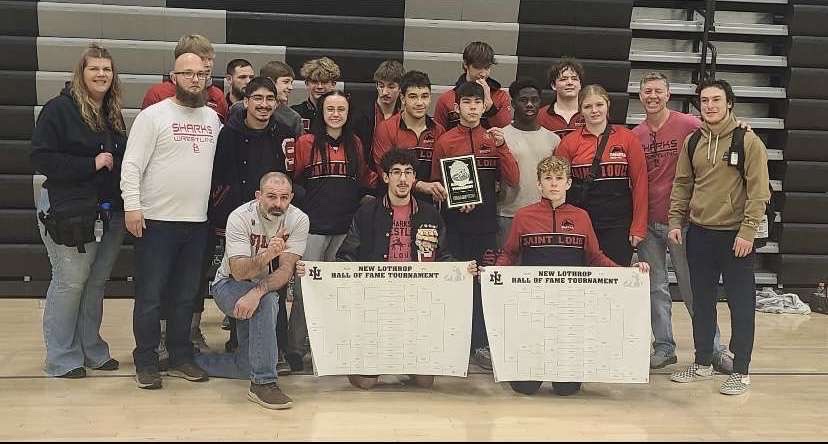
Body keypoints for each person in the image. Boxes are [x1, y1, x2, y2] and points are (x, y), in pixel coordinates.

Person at [296, 148, 478, 389]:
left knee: (425, 383)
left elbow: (443, 256)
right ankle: (364, 362)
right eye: (396, 173)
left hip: (416, 300)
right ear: (385, 177)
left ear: (415, 179)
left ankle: (403, 360)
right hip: (375, 300)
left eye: (408, 173)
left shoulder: (430, 214)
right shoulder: (367, 212)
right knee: (366, 383)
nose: (402, 179)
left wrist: (462, 270)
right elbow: (346, 255)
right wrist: (318, 276)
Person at [497, 155, 650, 396]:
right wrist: (493, 275)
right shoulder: (524, 217)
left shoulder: (581, 217)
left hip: (570, 307)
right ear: (539, 185)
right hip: (534, 305)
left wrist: (627, 274)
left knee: (567, 389)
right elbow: (509, 254)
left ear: (569, 183)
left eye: (559, 179)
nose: (554, 184)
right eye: (548, 179)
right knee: (524, 388)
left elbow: (595, 257)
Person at [121, 52, 221, 389]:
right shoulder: (153, 116)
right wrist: (132, 207)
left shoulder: (212, 119)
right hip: (156, 221)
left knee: (185, 295)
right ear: (173, 76)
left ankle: (180, 356)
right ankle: (147, 360)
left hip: (197, 222)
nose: (195, 79)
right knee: (150, 296)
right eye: (188, 73)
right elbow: (131, 165)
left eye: (201, 74)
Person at [668, 78, 770, 395]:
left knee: (741, 305)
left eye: (716, 99)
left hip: (736, 237)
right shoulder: (693, 142)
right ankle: (702, 363)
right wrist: (675, 219)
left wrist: (748, 232)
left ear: (729, 103)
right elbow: (682, 184)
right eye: (705, 100)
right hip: (699, 234)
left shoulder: (749, 142)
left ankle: (740, 370)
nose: (710, 105)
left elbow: (759, 193)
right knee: (702, 303)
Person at [31, 44, 126, 378]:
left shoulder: (112, 113)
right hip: (68, 210)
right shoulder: (59, 109)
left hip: (108, 211)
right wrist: (90, 163)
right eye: (94, 69)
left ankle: (92, 350)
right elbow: (40, 158)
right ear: (80, 73)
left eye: (107, 69)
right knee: (70, 281)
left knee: (95, 283)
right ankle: (61, 357)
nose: (101, 75)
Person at [631, 72, 733, 372]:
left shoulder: (689, 124)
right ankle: (664, 347)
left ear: (668, 94)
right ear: (640, 96)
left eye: (658, 91)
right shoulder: (635, 135)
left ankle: (712, 348)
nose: (652, 96)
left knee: (693, 288)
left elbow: (722, 130)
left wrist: (739, 125)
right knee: (656, 288)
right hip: (648, 223)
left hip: (683, 223)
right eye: (647, 91)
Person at [196, 172, 308, 409]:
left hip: (258, 289)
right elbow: (238, 271)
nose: (278, 204)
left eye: (284, 198)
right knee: (269, 303)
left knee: (246, 365)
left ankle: (191, 358)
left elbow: (286, 270)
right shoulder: (240, 217)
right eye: (271, 197)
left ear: (291, 198)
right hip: (227, 285)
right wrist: (268, 254)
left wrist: (256, 292)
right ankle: (263, 384)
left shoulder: (299, 220)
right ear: (258, 196)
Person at [210, 77, 300, 371]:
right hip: (240, 216)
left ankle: (279, 349)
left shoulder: (285, 132)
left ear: (277, 102)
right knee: (243, 276)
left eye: (269, 99)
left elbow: (288, 175)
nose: (263, 105)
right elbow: (221, 178)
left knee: (275, 276)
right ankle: (240, 341)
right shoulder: (230, 133)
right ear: (245, 101)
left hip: (275, 212)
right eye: (257, 98)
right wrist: (229, 216)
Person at [430, 81, 518, 370]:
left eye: (476, 103)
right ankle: (453, 341)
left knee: (482, 284)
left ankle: (480, 343)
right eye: (465, 102)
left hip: (485, 225)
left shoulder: (494, 138)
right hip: (454, 225)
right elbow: (437, 184)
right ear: (456, 107)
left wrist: (503, 147)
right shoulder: (446, 141)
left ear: (484, 106)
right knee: (455, 282)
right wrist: (454, 201)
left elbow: (513, 179)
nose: (471, 108)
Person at [286, 90, 376, 371]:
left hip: (343, 230)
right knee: (304, 292)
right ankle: (295, 349)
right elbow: (293, 182)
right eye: (330, 109)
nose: (335, 114)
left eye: (341, 109)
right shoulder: (306, 143)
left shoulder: (356, 144)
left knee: (335, 293)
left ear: (348, 113)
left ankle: (326, 346)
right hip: (313, 228)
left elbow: (362, 180)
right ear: (321, 112)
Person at [555, 84, 648, 268]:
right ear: (580, 110)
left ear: (608, 105)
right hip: (582, 222)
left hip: (619, 225)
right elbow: (558, 187)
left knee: (616, 277)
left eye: (599, 104)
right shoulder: (569, 143)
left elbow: (640, 184)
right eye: (588, 106)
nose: (594, 110)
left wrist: (638, 226)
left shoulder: (628, 138)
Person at [496, 79, 561, 245]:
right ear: (513, 103)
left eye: (534, 100)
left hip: (543, 215)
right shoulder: (501, 137)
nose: (530, 104)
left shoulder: (553, 140)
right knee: (508, 268)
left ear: (540, 103)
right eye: (524, 100)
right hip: (508, 214)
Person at [371, 70, 446, 201]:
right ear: (402, 98)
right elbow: (384, 170)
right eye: (413, 96)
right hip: (393, 203)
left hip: (429, 204)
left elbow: (444, 171)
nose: (419, 102)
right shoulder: (386, 128)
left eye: (424, 96)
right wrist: (419, 185)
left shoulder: (439, 131)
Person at [142, 34, 228, 123]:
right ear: (182, 59)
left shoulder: (218, 96)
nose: (208, 64)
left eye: (210, 59)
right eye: (202, 58)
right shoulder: (158, 94)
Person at [434, 41, 512, 130]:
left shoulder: (500, 96)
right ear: (465, 64)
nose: (483, 73)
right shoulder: (446, 99)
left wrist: (490, 107)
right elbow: (438, 134)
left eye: (487, 67)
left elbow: (506, 131)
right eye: (478, 67)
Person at [354, 60, 404, 168]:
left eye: (391, 87)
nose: (385, 92)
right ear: (376, 86)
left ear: (400, 88)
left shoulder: (403, 117)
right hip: (367, 178)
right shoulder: (360, 116)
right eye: (381, 86)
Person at [537, 58, 586, 138]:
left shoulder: (590, 113)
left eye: (574, 79)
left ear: (580, 85)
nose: (570, 83)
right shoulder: (541, 116)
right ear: (553, 85)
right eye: (563, 79)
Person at [292, 57, 340, 132]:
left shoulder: (343, 115)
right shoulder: (294, 113)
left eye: (324, 82)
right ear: (306, 84)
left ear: (333, 85)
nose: (319, 87)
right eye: (314, 82)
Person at [259, 60, 303, 137]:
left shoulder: (293, 118)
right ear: (270, 81)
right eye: (286, 82)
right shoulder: (241, 109)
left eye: (291, 83)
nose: (291, 87)